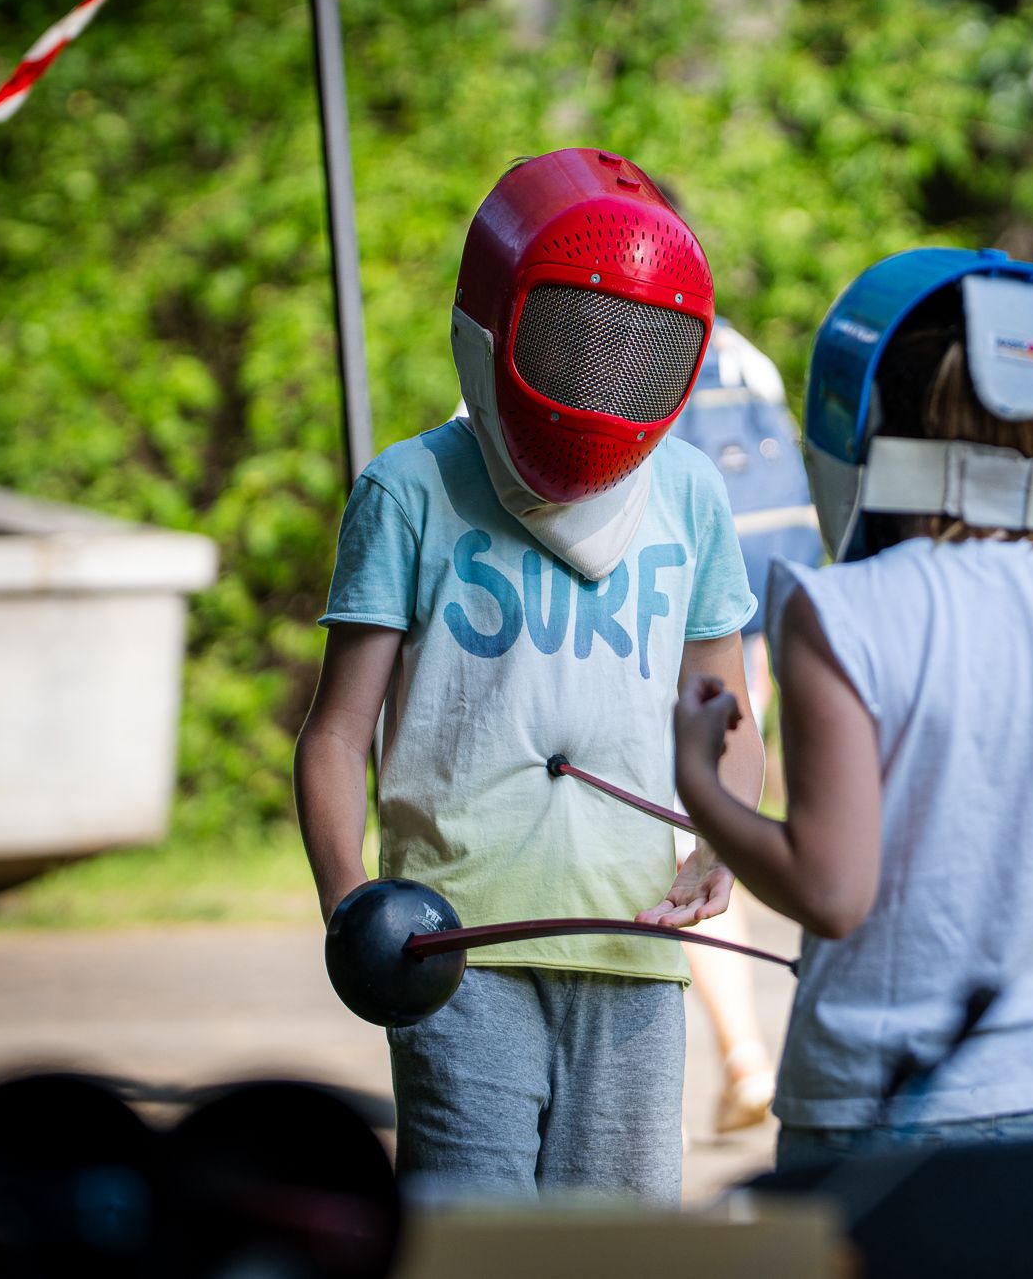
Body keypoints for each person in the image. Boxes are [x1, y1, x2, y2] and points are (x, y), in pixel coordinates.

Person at [294, 148, 763, 1201]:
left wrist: (724, 840)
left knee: (616, 1257)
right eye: (573, 334)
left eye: (628, 342)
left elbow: (730, 717)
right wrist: (349, 906)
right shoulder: (409, 488)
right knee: (474, 1246)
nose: (600, 365)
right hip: (452, 949)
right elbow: (334, 733)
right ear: (499, 324)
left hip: (632, 947)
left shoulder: (689, 493)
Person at [668, 250, 1033, 1165]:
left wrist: (699, 782)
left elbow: (832, 892)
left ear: (860, 423)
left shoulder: (838, 610)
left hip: (873, 1115)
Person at [666, 316, 824, 1134]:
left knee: (681, 842)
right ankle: (746, 1056)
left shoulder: (603, 341)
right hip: (745, 616)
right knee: (713, 823)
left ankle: (739, 1056)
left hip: (650, 613)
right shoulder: (744, 355)